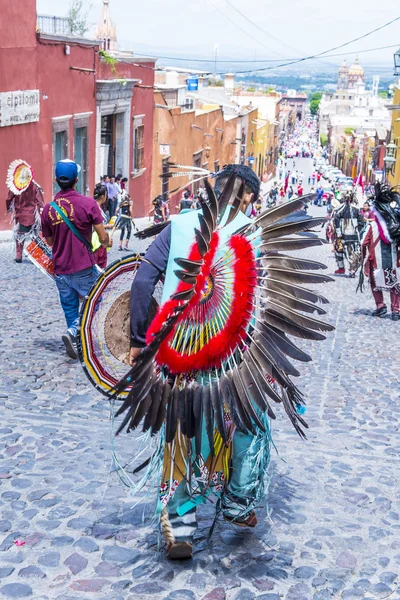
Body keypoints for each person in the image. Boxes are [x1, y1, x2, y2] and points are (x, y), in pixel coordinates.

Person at [113, 163, 332, 560]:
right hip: (237, 359)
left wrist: (138, 339)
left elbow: (143, 282)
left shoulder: (178, 227)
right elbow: (275, 304)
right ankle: (237, 503)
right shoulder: (255, 232)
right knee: (248, 421)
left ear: (214, 188)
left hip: (177, 352)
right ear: (248, 195)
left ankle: (179, 524)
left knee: (180, 427)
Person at [41, 160, 112, 358]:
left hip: (61, 268)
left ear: (56, 180)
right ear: (77, 180)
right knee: (96, 299)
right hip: (83, 266)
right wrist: (106, 242)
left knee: (70, 306)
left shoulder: (48, 209)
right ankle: (74, 332)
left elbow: (48, 240)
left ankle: (75, 339)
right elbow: (103, 237)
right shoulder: (88, 204)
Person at [360, 184, 400, 319]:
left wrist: (363, 261)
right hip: (394, 260)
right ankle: (396, 311)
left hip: (376, 261)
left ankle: (381, 306)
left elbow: (364, 243)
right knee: (395, 284)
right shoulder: (396, 224)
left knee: (375, 283)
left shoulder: (372, 226)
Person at [5, 160, 44, 262]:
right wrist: (41, 213)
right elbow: (40, 201)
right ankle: (38, 255)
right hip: (32, 215)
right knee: (35, 236)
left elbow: (8, 198)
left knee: (19, 236)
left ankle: (19, 256)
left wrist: (8, 208)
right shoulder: (35, 186)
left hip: (20, 215)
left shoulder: (16, 187)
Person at [333, 192, 364, 276]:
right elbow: (361, 222)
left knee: (346, 251)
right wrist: (358, 231)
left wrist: (339, 232)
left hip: (344, 235)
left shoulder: (342, 209)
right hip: (352, 235)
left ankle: (347, 269)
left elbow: (336, 219)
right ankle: (344, 268)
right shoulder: (356, 209)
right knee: (347, 251)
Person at [92, 183, 110, 270]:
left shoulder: (94, 206)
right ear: (103, 196)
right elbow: (97, 226)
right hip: (98, 243)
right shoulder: (97, 208)